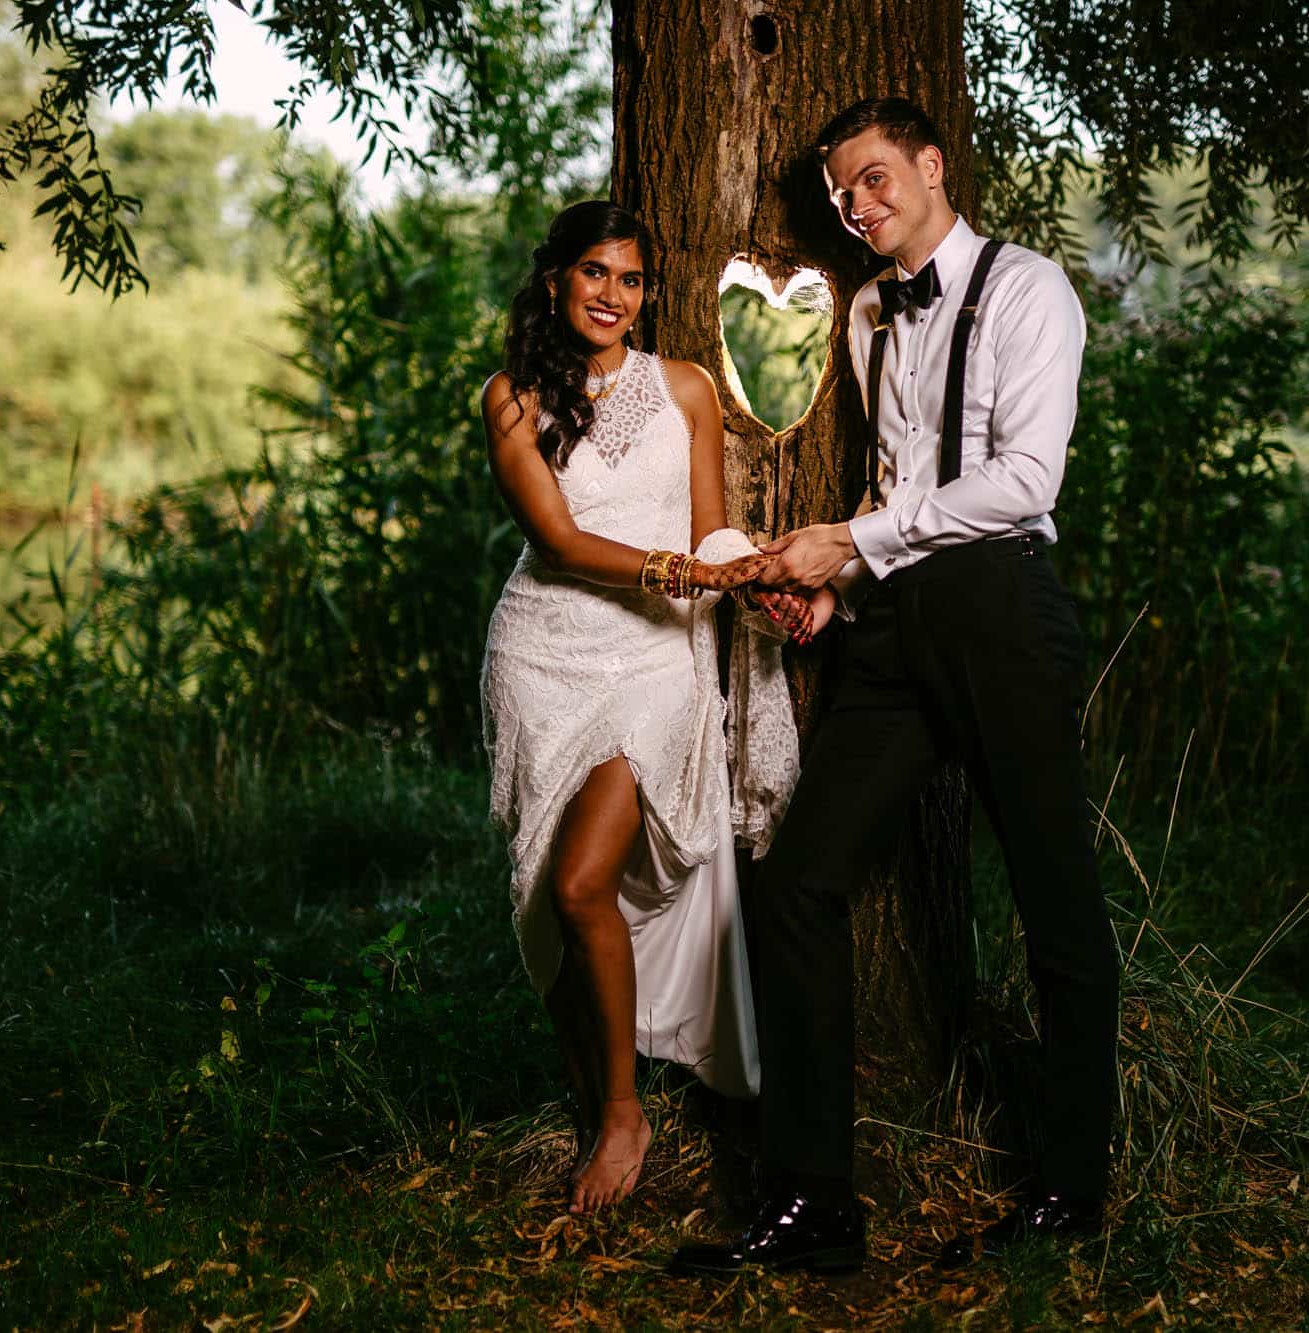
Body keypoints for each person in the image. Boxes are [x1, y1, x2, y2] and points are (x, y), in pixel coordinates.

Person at [669, 97, 1119, 1275]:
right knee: (796, 883)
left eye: (871, 181)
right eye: (839, 196)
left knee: (1051, 901)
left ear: (929, 168)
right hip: (892, 631)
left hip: (1000, 614)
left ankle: (1073, 1187)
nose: (856, 208)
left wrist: (851, 542)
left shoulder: (1028, 290)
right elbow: (892, 489)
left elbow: (1022, 479)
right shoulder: (868, 311)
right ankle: (816, 1203)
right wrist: (836, 589)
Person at [481, 201, 829, 1215]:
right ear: (556, 281)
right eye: (593, 272)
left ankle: (626, 1111)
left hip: (652, 665)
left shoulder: (683, 388)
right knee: (548, 888)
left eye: (629, 279)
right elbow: (555, 541)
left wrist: (752, 579)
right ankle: (594, 1095)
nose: (611, 294)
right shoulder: (511, 398)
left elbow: (710, 532)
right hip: (541, 656)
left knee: (585, 882)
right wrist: (681, 567)